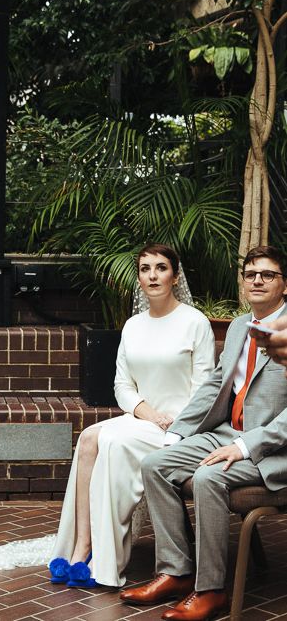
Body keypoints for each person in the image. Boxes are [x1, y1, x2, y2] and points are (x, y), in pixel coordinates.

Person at [121, 245, 287, 621]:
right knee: (155, 464)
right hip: (229, 432)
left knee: (209, 476)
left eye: (267, 274)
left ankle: (211, 590)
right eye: (250, 274)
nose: (257, 280)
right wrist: (177, 434)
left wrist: (246, 447)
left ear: (284, 284)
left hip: (275, 449)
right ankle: (176, 572)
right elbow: (215, 386)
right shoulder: (240, 327)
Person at [46, 243, 215, 588]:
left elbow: (205, 388)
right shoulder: (133, 325)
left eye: (161, 267)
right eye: (145, 269)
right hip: (142, 418)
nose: (153, 275)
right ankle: (82, 547)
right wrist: (146, 412)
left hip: (181, 426)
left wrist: (170, 421)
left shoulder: (194, 323)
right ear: (139, 278)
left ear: (175, 275)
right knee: (89, 437)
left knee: (108, 440)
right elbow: (122, 385)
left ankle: (107, 562)